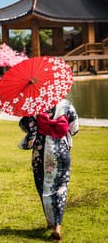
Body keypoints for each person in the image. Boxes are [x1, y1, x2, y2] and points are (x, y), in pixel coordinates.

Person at [19, 99, 79, 242]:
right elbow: (74, 129)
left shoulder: (33, 106)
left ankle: (50, 221)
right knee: (61, 186)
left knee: (43, 186)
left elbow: (25, 126)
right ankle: (57, 225)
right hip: (61, 151)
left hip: (40, 153)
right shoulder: (67, 105)